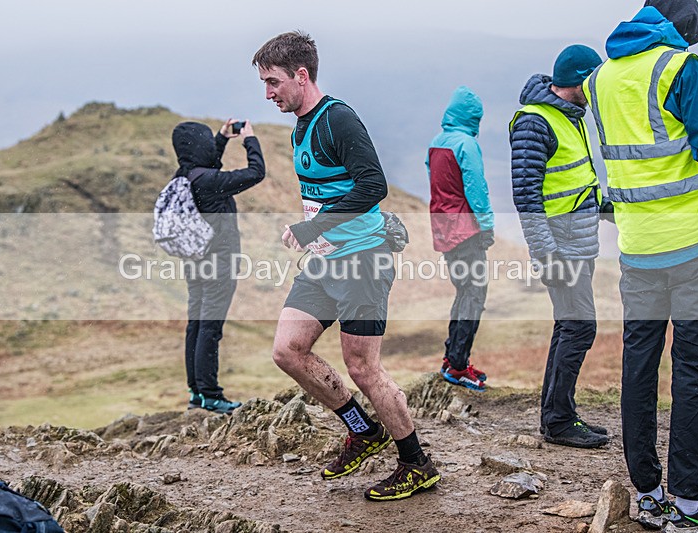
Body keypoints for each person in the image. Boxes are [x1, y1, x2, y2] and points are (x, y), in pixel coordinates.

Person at [252, 31, 440, 501]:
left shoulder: (338, 119)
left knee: (363, 368)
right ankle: (362, 431)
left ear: (302, 75)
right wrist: (314, 232)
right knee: (287, 351)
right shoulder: (301, 123)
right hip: (324, 264)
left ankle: (417, 464)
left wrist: (314, 229)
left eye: (273, 82)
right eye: (264, 84)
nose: (268, 93)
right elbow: (325, 193)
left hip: (363, 263)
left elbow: (373, 185)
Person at [584, 1, 698, 530]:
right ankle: (689, 503)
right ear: (679, 29)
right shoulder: (681, 67)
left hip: (637, 245)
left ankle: (649, 493)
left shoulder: (600, 78)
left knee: (639, 365)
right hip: (696, 240)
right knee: (692, 371)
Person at [509, 45, 610, 449]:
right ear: (582, 80)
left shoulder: (571, 116)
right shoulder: (536, 123)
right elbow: (527, 196)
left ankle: (557, 415)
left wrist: (608, 207)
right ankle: (558, 420)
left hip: (579, 240)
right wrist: (545, 255)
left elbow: (573, 183)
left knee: (569, 326)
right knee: (580, 327)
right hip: (561, 246)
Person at [171, 119, 265, 414]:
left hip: (195, 263)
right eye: (207, 142)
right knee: (210, 329)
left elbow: (207, 165)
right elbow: (255, 173)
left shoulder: (184, 176)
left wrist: (222, 139)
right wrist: (250, 140)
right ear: (199, 146)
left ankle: (197, 393)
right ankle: (211, 395)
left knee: (197, 325)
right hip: (217, 266)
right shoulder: (209, 182)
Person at [427, 85, 494, 392]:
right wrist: (487, 225)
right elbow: (476, 189)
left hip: (443, 228)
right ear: (472, 117)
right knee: (474, 296)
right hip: (466, 229)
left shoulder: (436, 142)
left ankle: (451, 358)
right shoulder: (466, 144)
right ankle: (457, 365)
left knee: (463, 292)